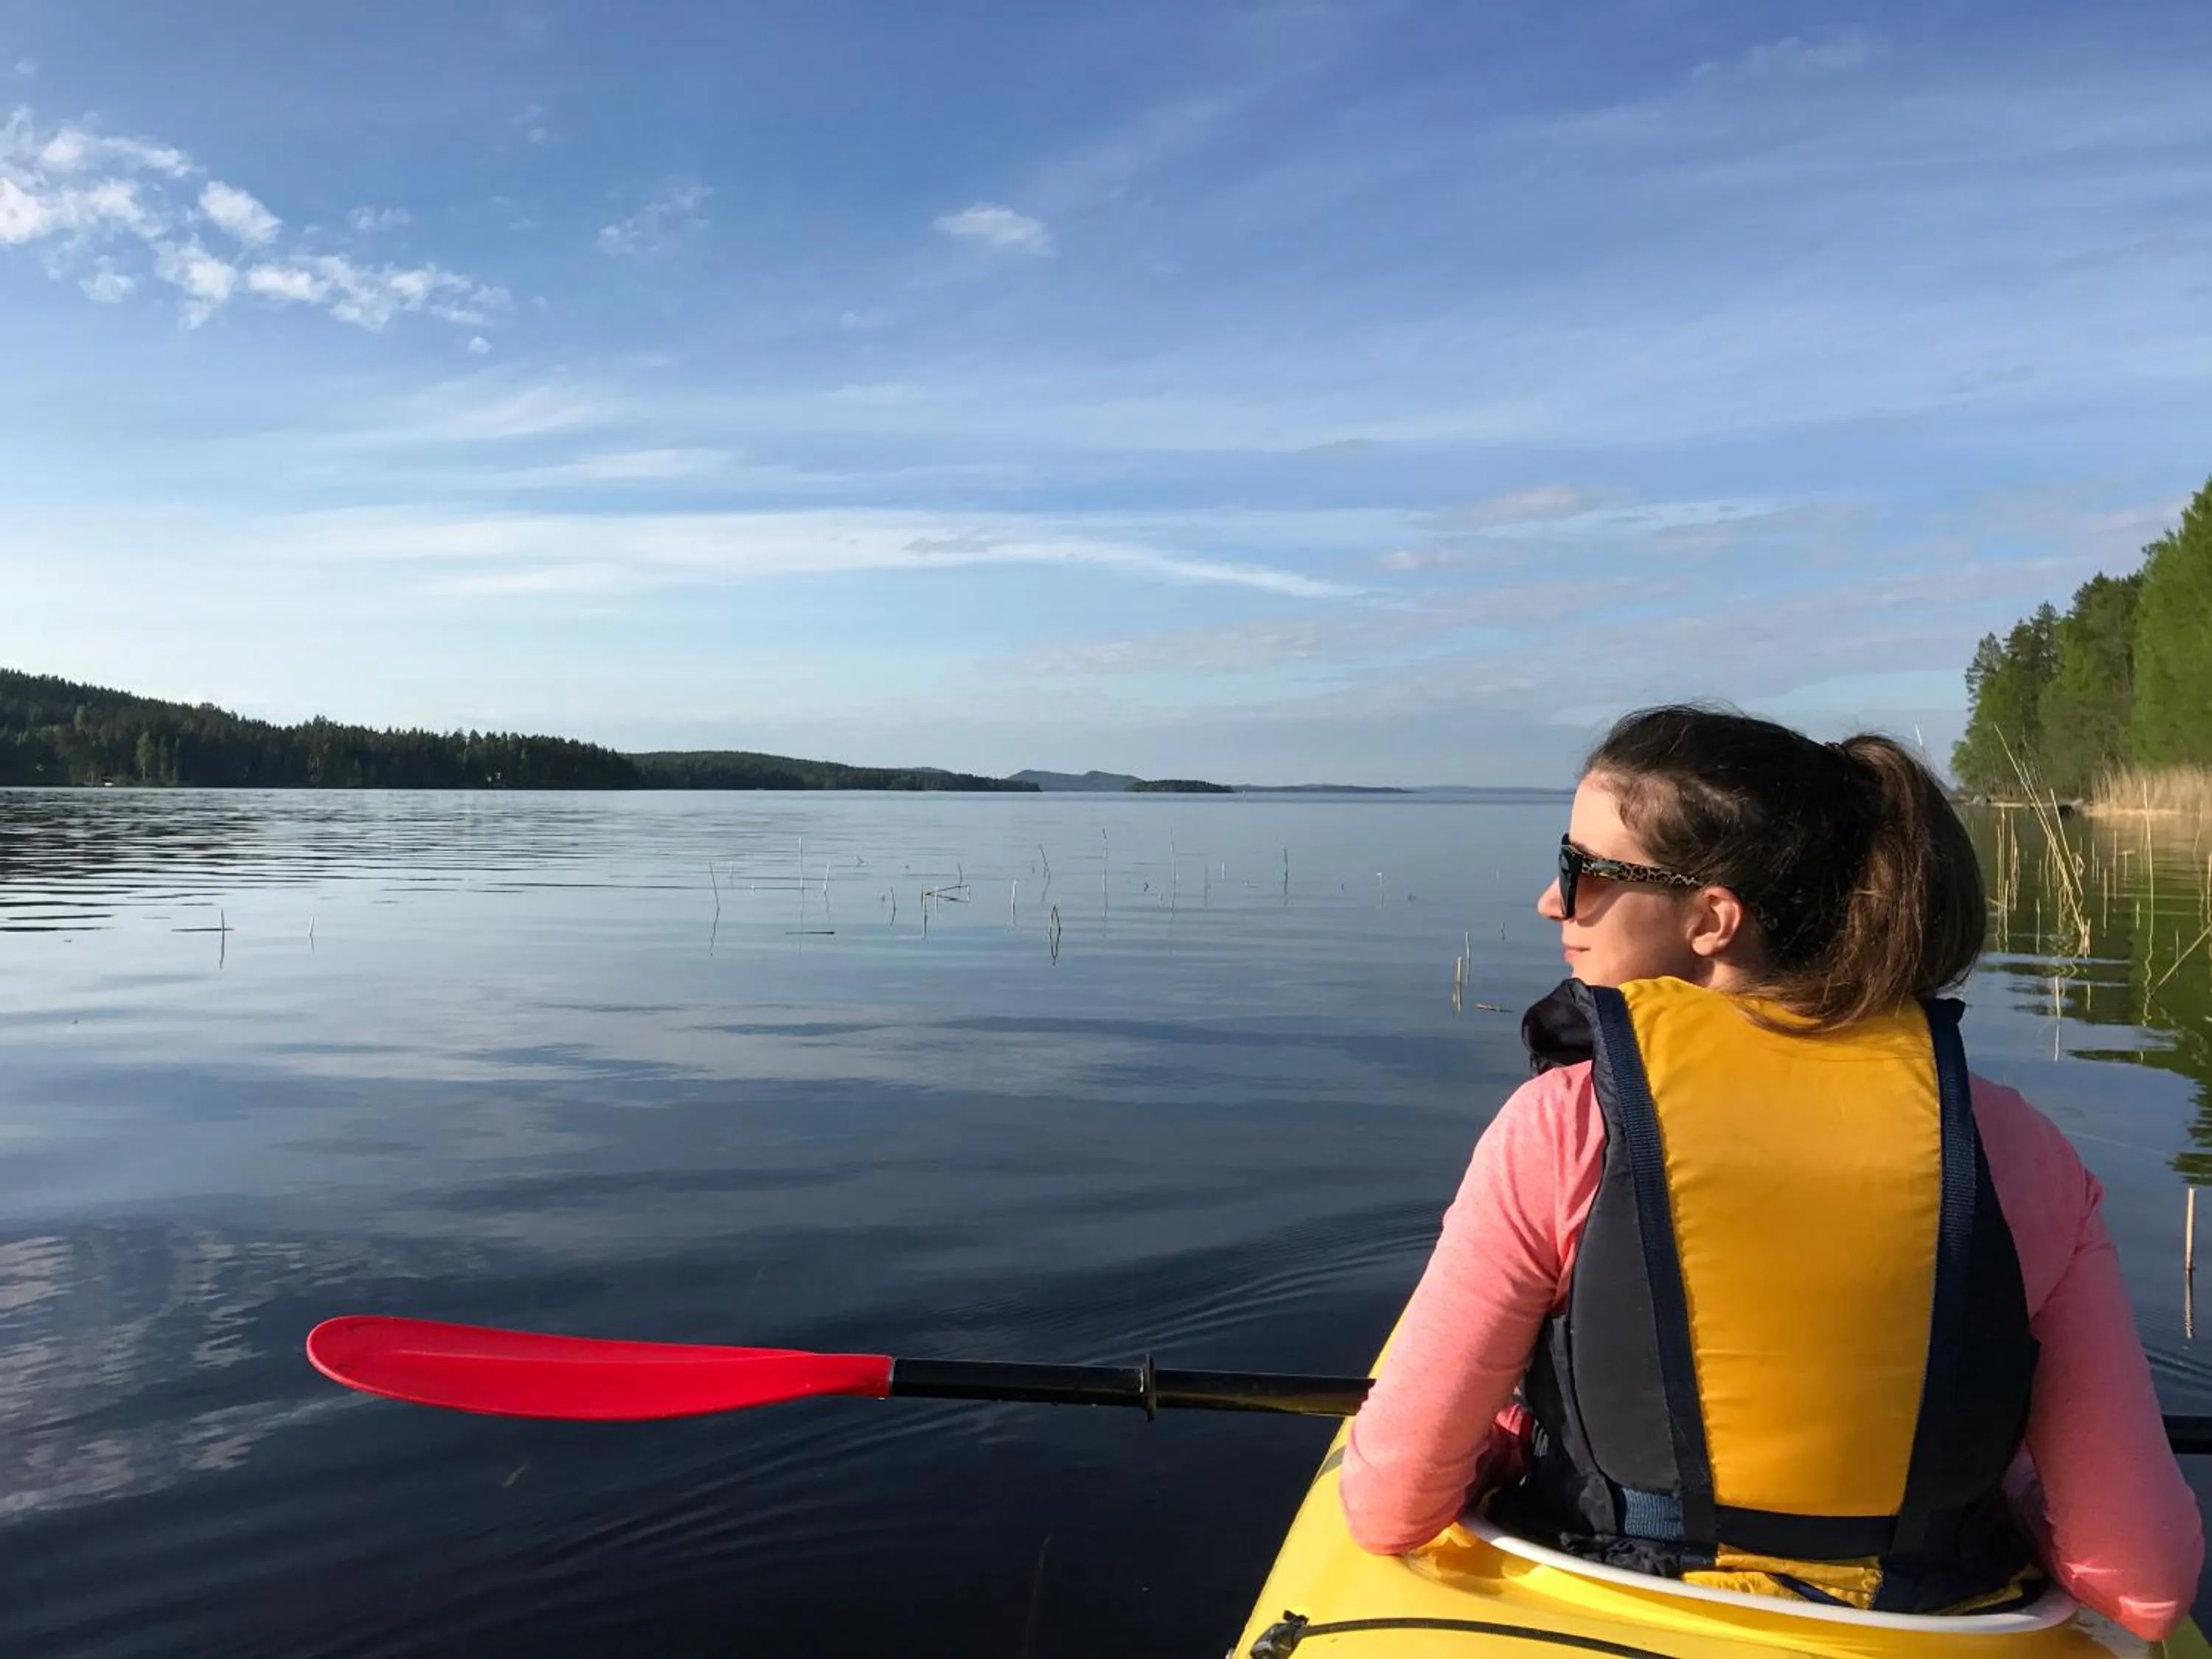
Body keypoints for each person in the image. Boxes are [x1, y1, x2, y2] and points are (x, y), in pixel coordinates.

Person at [1340, 706, 2202, 1640]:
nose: (1554, 900)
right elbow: (2146, 1582)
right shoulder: (2026, 1150)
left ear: (1712, 919)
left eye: (1584, 870)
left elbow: (1389, 1506)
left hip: (1603, 1601)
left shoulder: (1559, 1129)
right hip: (1924, 1615)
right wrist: (2011, 1475)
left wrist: (1511, 1439)